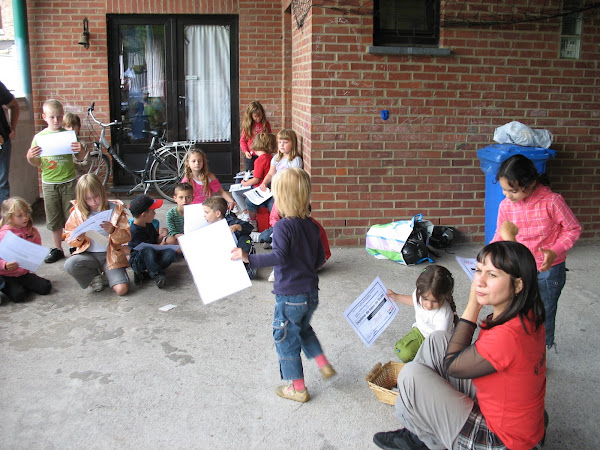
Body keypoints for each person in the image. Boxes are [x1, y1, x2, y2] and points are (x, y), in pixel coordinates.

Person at [373, 241, 547, 450]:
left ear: (518, 285)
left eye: (492, 275)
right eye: (479, 270)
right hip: (507, 415)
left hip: (501, 440)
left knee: (410, 376)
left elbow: (452, 364)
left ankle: (426, 438)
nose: (479, 282)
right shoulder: (525, 312)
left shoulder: (508, 336)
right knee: (437, 340)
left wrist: (473, 304)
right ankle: (416, 427)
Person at [231, 168, 336, 403]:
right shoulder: (312, 226)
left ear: (281, 198)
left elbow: (278, 256)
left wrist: (249, 258)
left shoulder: (282, 227)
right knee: (303, 329)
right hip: (310, 293)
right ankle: (321, 362)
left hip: (290, 295)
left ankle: (298, 388)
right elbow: (320, 257)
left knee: (286, 338)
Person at [492, 154, 581, 351]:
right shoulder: (506, 205)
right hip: (521, 266)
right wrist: (489, 254)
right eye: (504, 190)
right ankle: (522, 346)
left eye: (512, 190)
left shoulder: (552, 201)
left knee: (544, 311)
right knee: (518, 308)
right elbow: (500, 232)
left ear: (530, 183)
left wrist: (554, 250)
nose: (507, 195)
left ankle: (542, 350)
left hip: (549, 269)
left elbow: (573, 229)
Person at [26, 99, 85, 264]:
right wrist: (30, 157)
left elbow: (80, 158)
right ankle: (57, 248)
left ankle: (74, 245)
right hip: (49, 183)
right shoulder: (39, 137)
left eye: (59, 116)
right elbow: (36, 162)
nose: (56, 120)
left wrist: (80, 149)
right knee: (53, 217)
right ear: (44, 117)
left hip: (68, 180)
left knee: (71, 215)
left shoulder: (68, 135)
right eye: (52, 117)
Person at [63, 174, 130, 296]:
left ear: (102, 191)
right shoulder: (77, 212)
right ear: (82, 198)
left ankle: (109, 275)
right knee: (70, 264)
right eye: (88, 199)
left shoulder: (115, 209)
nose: (93, 202)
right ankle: (94, 275)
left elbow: (126, 236)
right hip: (89, 255)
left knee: (122, 290)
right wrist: (79, 238)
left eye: (96, 196)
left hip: (111, 256)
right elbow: (69, 236)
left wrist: (113, 231)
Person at [387, 264, 457, 363]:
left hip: (438, 343)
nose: (429, 305)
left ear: (445, 296)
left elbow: (438, 344)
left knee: (432, 363)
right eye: (425, 299)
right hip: (420, 332)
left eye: (435, 301)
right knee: (402, 351)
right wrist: (397, 297)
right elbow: (414, 301)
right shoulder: (419, 293)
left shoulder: (444, 315)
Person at [0, 197, 52, 302]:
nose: (25, 218)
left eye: (26, 213)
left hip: (24, 272)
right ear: (9, 217)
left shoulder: (32, 231)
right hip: (6, 275)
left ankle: (22, 285)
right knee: (19, 296)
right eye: (20, 216)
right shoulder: (3, 234)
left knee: (46, 287)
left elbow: (37, 248)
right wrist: (4, 265)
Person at [128, 194, 177, 289]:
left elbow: (154, 240)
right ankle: (157, 274)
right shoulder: (133, 231)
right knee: (148, 249)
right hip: (138, 261)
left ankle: (147, 273)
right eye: (153, 211)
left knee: (170, 253)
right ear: (144, 215)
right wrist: (159, 246)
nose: (155, 213)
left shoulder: (148, 224)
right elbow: (145, 249)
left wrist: (161, 236)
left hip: (153, 255)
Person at [203, 196, 256, 279]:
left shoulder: (231, 220)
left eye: (206, 212)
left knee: (245, 239)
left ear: (217, 213)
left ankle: (247, 266)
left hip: (236, 248)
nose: (204, 215)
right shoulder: (206, 224)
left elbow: (249, 227)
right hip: (220, 253)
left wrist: (237, 227)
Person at [233, 132, 274, 229]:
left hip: (259, 188)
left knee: (236, 193)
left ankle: (250, 218)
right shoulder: (270, 157)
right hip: (269, 186)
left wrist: (244, 183)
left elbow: (256, 180)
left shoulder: (259, 160)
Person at [0, 81, 20, 205]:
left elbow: (14, 105)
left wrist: (12, 128)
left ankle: (4, 221)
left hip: (2, 142)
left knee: (1, 183)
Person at [240, 100, 271, 172]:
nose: (258, 118)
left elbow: (269, 138)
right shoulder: (248, 126)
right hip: (251, 156)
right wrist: (245, 151)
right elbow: (243, 140)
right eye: (255, 116)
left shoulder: (265, 124)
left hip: (262, 155)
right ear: (251, 116)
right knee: (250, 174)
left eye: (259, 115)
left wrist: (268, 151)